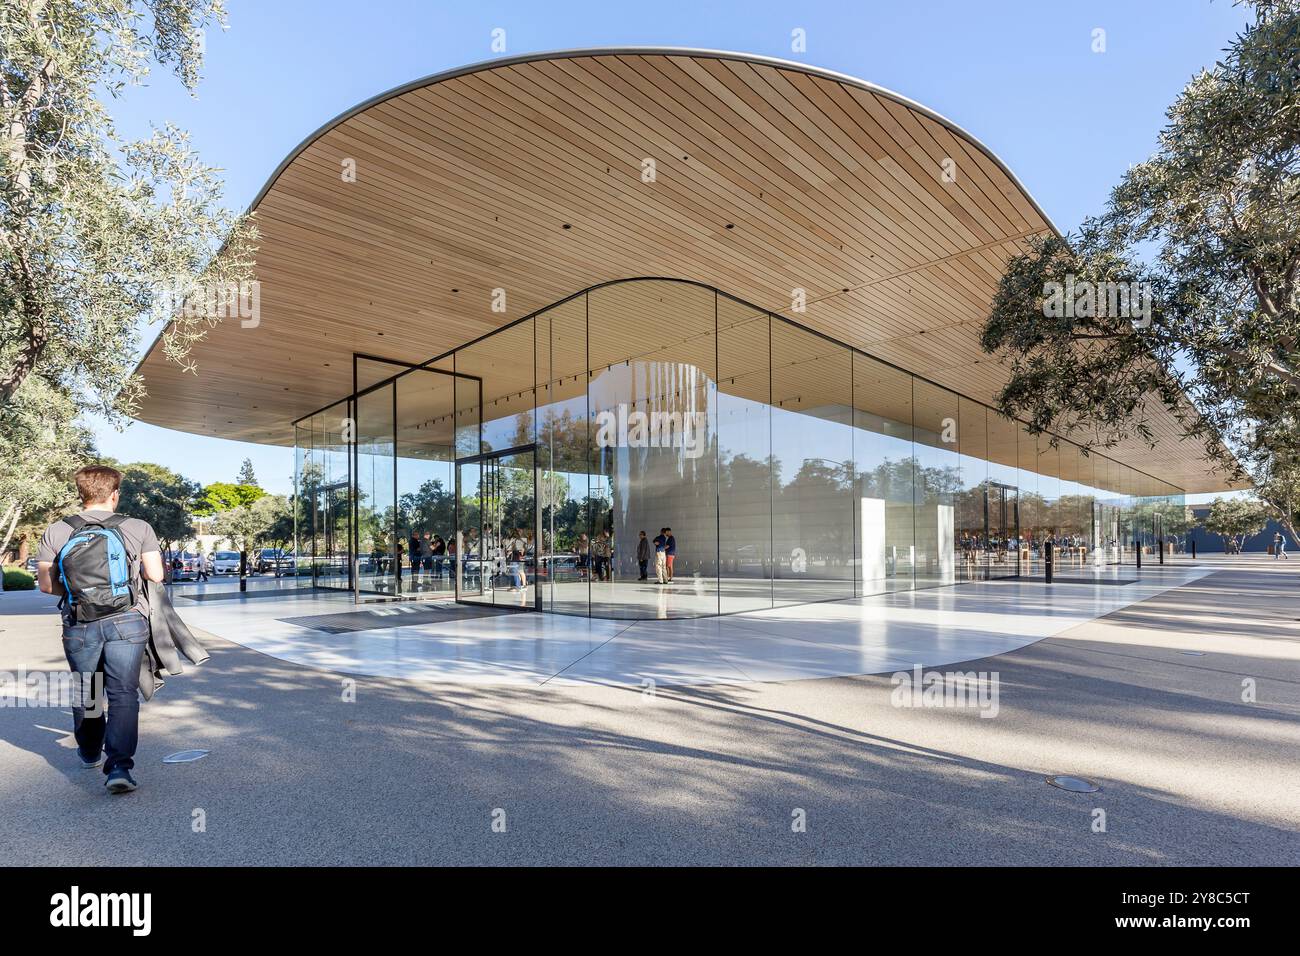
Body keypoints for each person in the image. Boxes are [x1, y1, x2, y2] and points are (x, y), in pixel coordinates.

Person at [36, 464, 166, 795]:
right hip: (127, 619)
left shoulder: (57, 531)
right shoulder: (137, 527)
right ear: (114, 494)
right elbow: (155, 574)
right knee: (123, 692)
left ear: (81, 494)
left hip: (79, 622)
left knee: (89, 689)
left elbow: (46, 586)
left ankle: (90, 750)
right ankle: (120, 766)